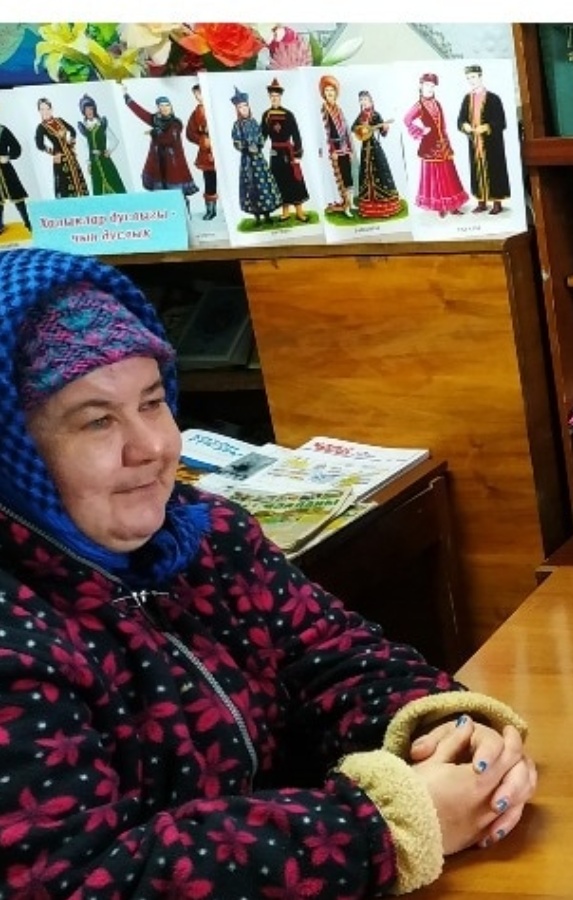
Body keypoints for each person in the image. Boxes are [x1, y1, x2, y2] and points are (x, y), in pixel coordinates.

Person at [0, 248, 537, 897]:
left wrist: (447, 734)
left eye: (152, 402)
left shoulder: (208, 536)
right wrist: (384, 826)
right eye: (96, 421)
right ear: (15, 449)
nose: (152, 447)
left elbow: (335, 655)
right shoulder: (17, 634)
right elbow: (80, 880)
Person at [121, 85, 198, 213]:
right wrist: (127, 97)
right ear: (158, 108)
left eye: (167, 105)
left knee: (176, 192)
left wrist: (154, 133)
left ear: (171, 107)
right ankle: (168, 215)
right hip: (158, 163)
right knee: (162, 194)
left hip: (173, 164)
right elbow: (141, 113)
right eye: (161, 106)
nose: (165, 108)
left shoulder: (176, 123)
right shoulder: (156, 120)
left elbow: (169, 139)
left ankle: (184, 213)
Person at [403, 73, 468, 218]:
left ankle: (453, 206)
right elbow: (407, 119)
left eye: (432, 86)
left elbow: (442, 125)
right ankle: (440, 207)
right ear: (421, 86)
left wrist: (446, 140)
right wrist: (421, 131)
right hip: (430, 146)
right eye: (427, 85)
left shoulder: (437, 103)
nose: (430, 88)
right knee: (435, 177)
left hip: (443, 145)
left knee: (449, 175)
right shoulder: (419, 105)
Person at [457, 64, 510, 215]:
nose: (471, 80)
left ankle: (497, 203)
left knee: (494, 170)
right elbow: (460, 120)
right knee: (477, 171)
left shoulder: (493, 98)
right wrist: (465, 125)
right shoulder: (467, 99)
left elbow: (501, 122)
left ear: (480, 76)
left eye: (473, 77)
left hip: (492, 144)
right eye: (468, 78)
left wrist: (486, 127)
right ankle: (481, 202)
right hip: (474, 143)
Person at [229, 86, 283, 228]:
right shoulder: (237, 126)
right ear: (237, 110)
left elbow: (261, 137)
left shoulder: (254, 122)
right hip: (248, 161)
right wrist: (246, 147)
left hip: (259, 159)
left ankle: (267, 215)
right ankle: (257, 217)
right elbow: (236, 142)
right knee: (251, 186)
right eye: (240, 107)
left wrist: (258, 145)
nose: (244, 109)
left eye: (245, 106)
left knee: (264, 184)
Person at [261, 78, 311, 223]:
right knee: (279, 181)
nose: (274, 99)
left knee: (294, 180)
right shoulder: (266, 115)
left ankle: (300, 212)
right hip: (275, 153)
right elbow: (262, 135)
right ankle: (285, 212)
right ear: (269, 97)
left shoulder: (288, 114)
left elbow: (296, 135)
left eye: (276, 96)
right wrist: (257, 147)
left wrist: (297, 154)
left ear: (280, 97)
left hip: (288, 153)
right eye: (272, 96)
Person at [352, 89, 404, 219]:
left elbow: (383, 133)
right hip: (365, 148)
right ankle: (368, 203)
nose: (363, 102)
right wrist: (361, 130)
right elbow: (354, 128)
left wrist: (385, 128)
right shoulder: (361, 116)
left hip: (374, 147)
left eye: (365, 99)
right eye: (361, 100)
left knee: (380, 170)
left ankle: (384, 204)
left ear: (370, 100)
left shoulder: (376, 115)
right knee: (365, 173)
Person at [33, 98, 89, 199]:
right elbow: (39, 145)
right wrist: (54, 153)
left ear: (51, 109)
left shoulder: (59, 120)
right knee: (65, 183)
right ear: (39, 111)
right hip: (61, 159)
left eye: (47, 108)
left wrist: (71, 144)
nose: (45, 112)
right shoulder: (41, 127)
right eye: (42, 109)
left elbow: (72, 131)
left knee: (78, 179)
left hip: (71, 156)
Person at [320, 74, 356, 217]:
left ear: (336, 93)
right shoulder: (324, 110)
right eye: (327, 90)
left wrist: (350, 149)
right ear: (323, 93)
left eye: (332, 90)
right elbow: (326, 132)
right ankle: (344, 205)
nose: (329, 93)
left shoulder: (339, 110)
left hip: (344, 148)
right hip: (334, 150)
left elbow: (346, 131)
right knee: (340, 177)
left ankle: (351, 203)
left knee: (348, 176)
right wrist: (333, 150)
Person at [75, 94, 125, 196]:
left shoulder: (102, 124)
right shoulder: (85, 128)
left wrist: (109, 150)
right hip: (94, 163)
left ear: (94, 109)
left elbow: (115, 140)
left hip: (105, 160)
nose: (89, 112)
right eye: (86, 110)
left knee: (113, 182)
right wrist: (88, 163)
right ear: (84, 112)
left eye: (90, 109)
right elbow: (86, 147)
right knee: (98, 186)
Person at [185, 82, 218, 220]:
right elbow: (189, 133)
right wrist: (202, 140)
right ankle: (211, 210)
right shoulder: (196, 114)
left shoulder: (217, 108)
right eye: (196, 94)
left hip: (221, 152)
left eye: (201, 92)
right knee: (210, 181)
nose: (199, 96)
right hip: (206, 154)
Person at [0, 118, 32, 234]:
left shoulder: (2, 130)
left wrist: (8, 156)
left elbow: (16, 148)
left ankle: (28, 223)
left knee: (17, 196)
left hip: (6, 170)